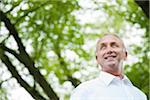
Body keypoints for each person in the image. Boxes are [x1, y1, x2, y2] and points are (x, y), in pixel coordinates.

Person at [70, 34, 147, 100]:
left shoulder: (140, 95)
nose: (109, 50)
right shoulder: (84, 90)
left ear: (125, 55)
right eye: (103, 47)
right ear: (97, 59)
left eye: (114, 45)